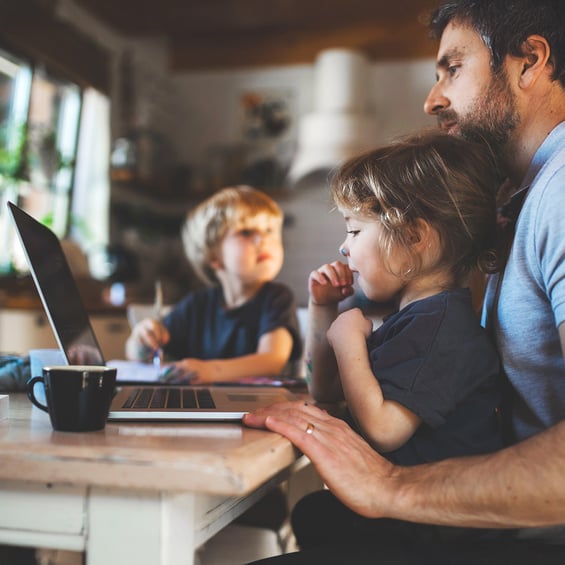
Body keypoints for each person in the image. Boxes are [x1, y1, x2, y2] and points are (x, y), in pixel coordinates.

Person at [242, 0, 565, 562]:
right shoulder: (521, 201)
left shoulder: (561, 194)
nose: (432, 99)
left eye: (453, 68)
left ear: (530, 61)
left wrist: (390, 487)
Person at [290, 130, 507, 550]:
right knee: (313, 513)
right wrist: (324, 312)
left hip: (435, 536)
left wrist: (351, 340)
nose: (343, 246)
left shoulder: (444, 328)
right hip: (405, 523)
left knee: (317, 516)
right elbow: (326, 387)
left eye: (354, 231)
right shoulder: (410, 320)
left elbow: (385, 430)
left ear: (412, 237)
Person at [126, 185, 302, 383]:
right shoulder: (197, 305)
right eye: (245, 232)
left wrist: (210, 371)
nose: (263, 239)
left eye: (270, 230)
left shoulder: (277, 298)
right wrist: (141, 341)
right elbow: (137, 355)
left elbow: (271, 361)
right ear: (214, 257)